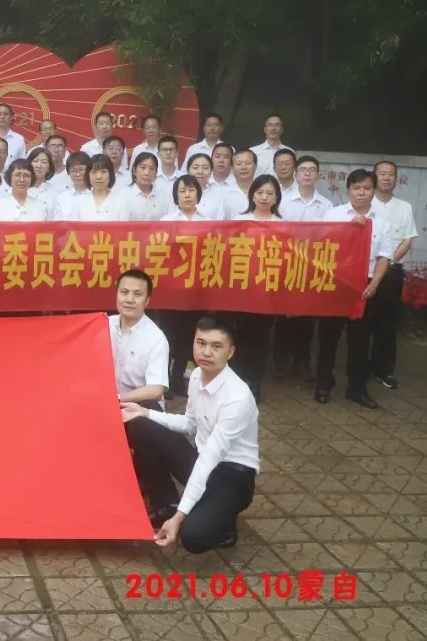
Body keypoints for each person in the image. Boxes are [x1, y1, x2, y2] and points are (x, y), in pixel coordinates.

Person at [121, 313, 259, 551]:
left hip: (232, 476)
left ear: (230, 352)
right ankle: (168, 504)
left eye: (216, 346)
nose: (206, 352)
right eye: (201, 343)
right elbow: (189, 424)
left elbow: (209, 459)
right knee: (140, 421)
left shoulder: (237, 397)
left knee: (194, 537)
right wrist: (146, 413)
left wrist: (179, 520)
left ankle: (224, 519)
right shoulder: (196, 376)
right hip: (201, 460)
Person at [315, 169, 392, 409]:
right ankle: (324, 384)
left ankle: (357, 389)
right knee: (328, 337)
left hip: (366, 286)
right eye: (357, 188)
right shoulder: (334, 214)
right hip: (336, 284)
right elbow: (322, 246)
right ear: (348, 190)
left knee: (360, 340)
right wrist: (346, 230)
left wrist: (374, 284)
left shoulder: (382, 221)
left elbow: (384, 256)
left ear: (373, 191)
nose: (361, 193)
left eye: (367, 188)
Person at [275, 155, 333, 380]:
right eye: (303, 170)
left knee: (307, 317)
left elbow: (331, 236)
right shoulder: (282, 201)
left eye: (312, 170)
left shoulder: (326, 205)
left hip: (312, 267)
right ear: (295, 174)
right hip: (286, 264)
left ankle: (302, 361)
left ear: (318, 175)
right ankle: (280, 360)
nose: (307, 173)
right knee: (283, 315)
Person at [231, 175, 284, 400]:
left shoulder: (282, 225)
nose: (264, 197)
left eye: (269, 193)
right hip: (242, 290)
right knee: (240, 335)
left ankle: (255, 380)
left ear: (276, 198)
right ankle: (239, 380)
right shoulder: (239, 221)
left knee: (261, 336)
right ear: (252, 195)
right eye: (260, 192)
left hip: (268, 291)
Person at [369, 160, 417, 390]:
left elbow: (408, 239)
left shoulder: (404, 207)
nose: (387, 178)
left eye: (391, 174)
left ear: (396, 179)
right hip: (366, 272)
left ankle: (383, 370)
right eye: (382, 174)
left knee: (387, 323)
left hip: (392, 272)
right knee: (362, 322)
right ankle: (359, 368)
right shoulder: (365, 203)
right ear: (374, 176)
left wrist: (388, 262)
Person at [160, 176, 209, 397]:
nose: (187, 195)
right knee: (168, 336)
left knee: (189, 335)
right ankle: (164, 380)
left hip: (196, 290)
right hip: (170, 290)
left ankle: (179, 378)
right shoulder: (166, 221)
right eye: (182, 191)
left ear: (198, 193)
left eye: (191, 190)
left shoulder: (208, 223)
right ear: (175, 196)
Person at [110, 270, 169, 411]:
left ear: (147, 301)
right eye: (124, 292)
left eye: (137, 294)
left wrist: (117, 399)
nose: (129, 299)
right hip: (107, 400)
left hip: (139, 405)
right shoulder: (104, 325)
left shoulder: (156, 338)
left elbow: (156, 390)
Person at [66, 154, 121, 220]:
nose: (99, 177)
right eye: (94, 172)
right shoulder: (79, 201)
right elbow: (72, 225)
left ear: (110, 174)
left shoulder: (120, 201)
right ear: (88, 175)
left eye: (103, 172)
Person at [118, 152, 166, 221]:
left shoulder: (162, 196)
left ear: (156, 173)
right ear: (134, 171)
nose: (147, 173)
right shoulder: (123, 195)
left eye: (152, 169)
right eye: (143, 167)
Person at [53, 152, 91, 219]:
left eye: (81, 169)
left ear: (89, 170)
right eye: (73, 171)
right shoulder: (62, 197)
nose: (77, 174)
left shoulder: (97, 194)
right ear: (68, 173)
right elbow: (57, 222)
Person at [26, 146, 59, 214]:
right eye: (35, 161)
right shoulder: (19, 189)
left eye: (44, 162)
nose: (39, 166)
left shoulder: (56, 195)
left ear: (49, 168)